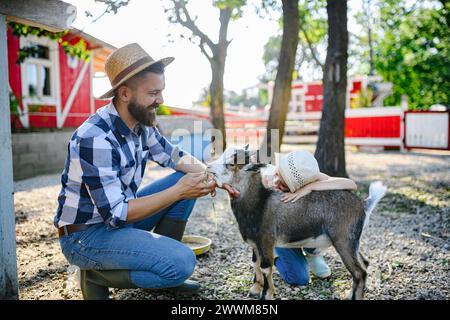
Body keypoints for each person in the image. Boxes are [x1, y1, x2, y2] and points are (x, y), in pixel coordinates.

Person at [54, 43, 239, 300]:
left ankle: (159, 273)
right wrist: (177, 192)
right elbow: (116, 215)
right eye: (153, 93)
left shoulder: (142, 125)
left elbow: (174, 156)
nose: (161, 100)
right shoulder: (95, 137)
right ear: (125, 93)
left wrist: (214, 176)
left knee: (188, 177)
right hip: (86, 236)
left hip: (116, 220)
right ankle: (93, 274)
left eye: (161, 91)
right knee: (183, 262)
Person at [261, 150, 357, 285]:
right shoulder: (263, 179)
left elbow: (350, 184)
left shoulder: (306, 177)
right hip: (280, 235)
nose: (276, 182)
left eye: (284, 184)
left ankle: (312, 252)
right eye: (277, 174)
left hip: (301, 228)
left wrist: (310, 187)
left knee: (320, 214)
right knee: (300, 279)